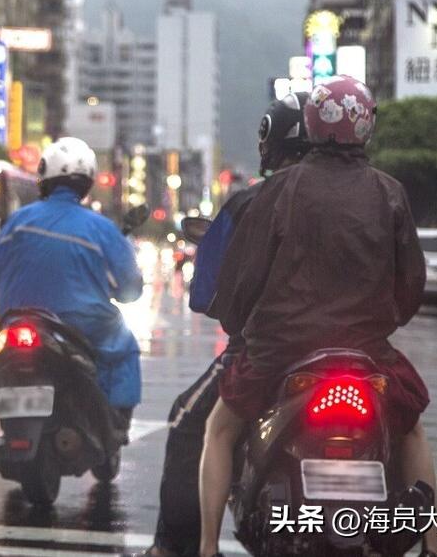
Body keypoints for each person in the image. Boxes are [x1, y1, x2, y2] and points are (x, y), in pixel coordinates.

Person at [197, 76, 437, 557]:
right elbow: (410, 286)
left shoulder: (277, 191)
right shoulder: (390, 192)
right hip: (367, 351)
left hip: (277, 350)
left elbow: (243, 280)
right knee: (411, 427)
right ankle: (432, 544)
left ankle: (206, 547)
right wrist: (381, 323)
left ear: (310, 124)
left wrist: (238, 323)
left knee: (219, 430)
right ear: (367, 126)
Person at [135, 92, 311, 557]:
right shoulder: (370, 196)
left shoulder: (251, 203)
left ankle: (182, 547)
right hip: (357, 351)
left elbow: (207, 295)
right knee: (408, 424)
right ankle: (431, 542)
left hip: (264, 355)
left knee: (191, 422)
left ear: (269, 142)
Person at [0, 136, 144, 424]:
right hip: (83, 324)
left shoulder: (18, 221)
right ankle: (116, 421)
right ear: (87, 182)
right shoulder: (102, 229)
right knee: (124, 346)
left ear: (44, 177)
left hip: (15, 320)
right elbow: (130, 289)